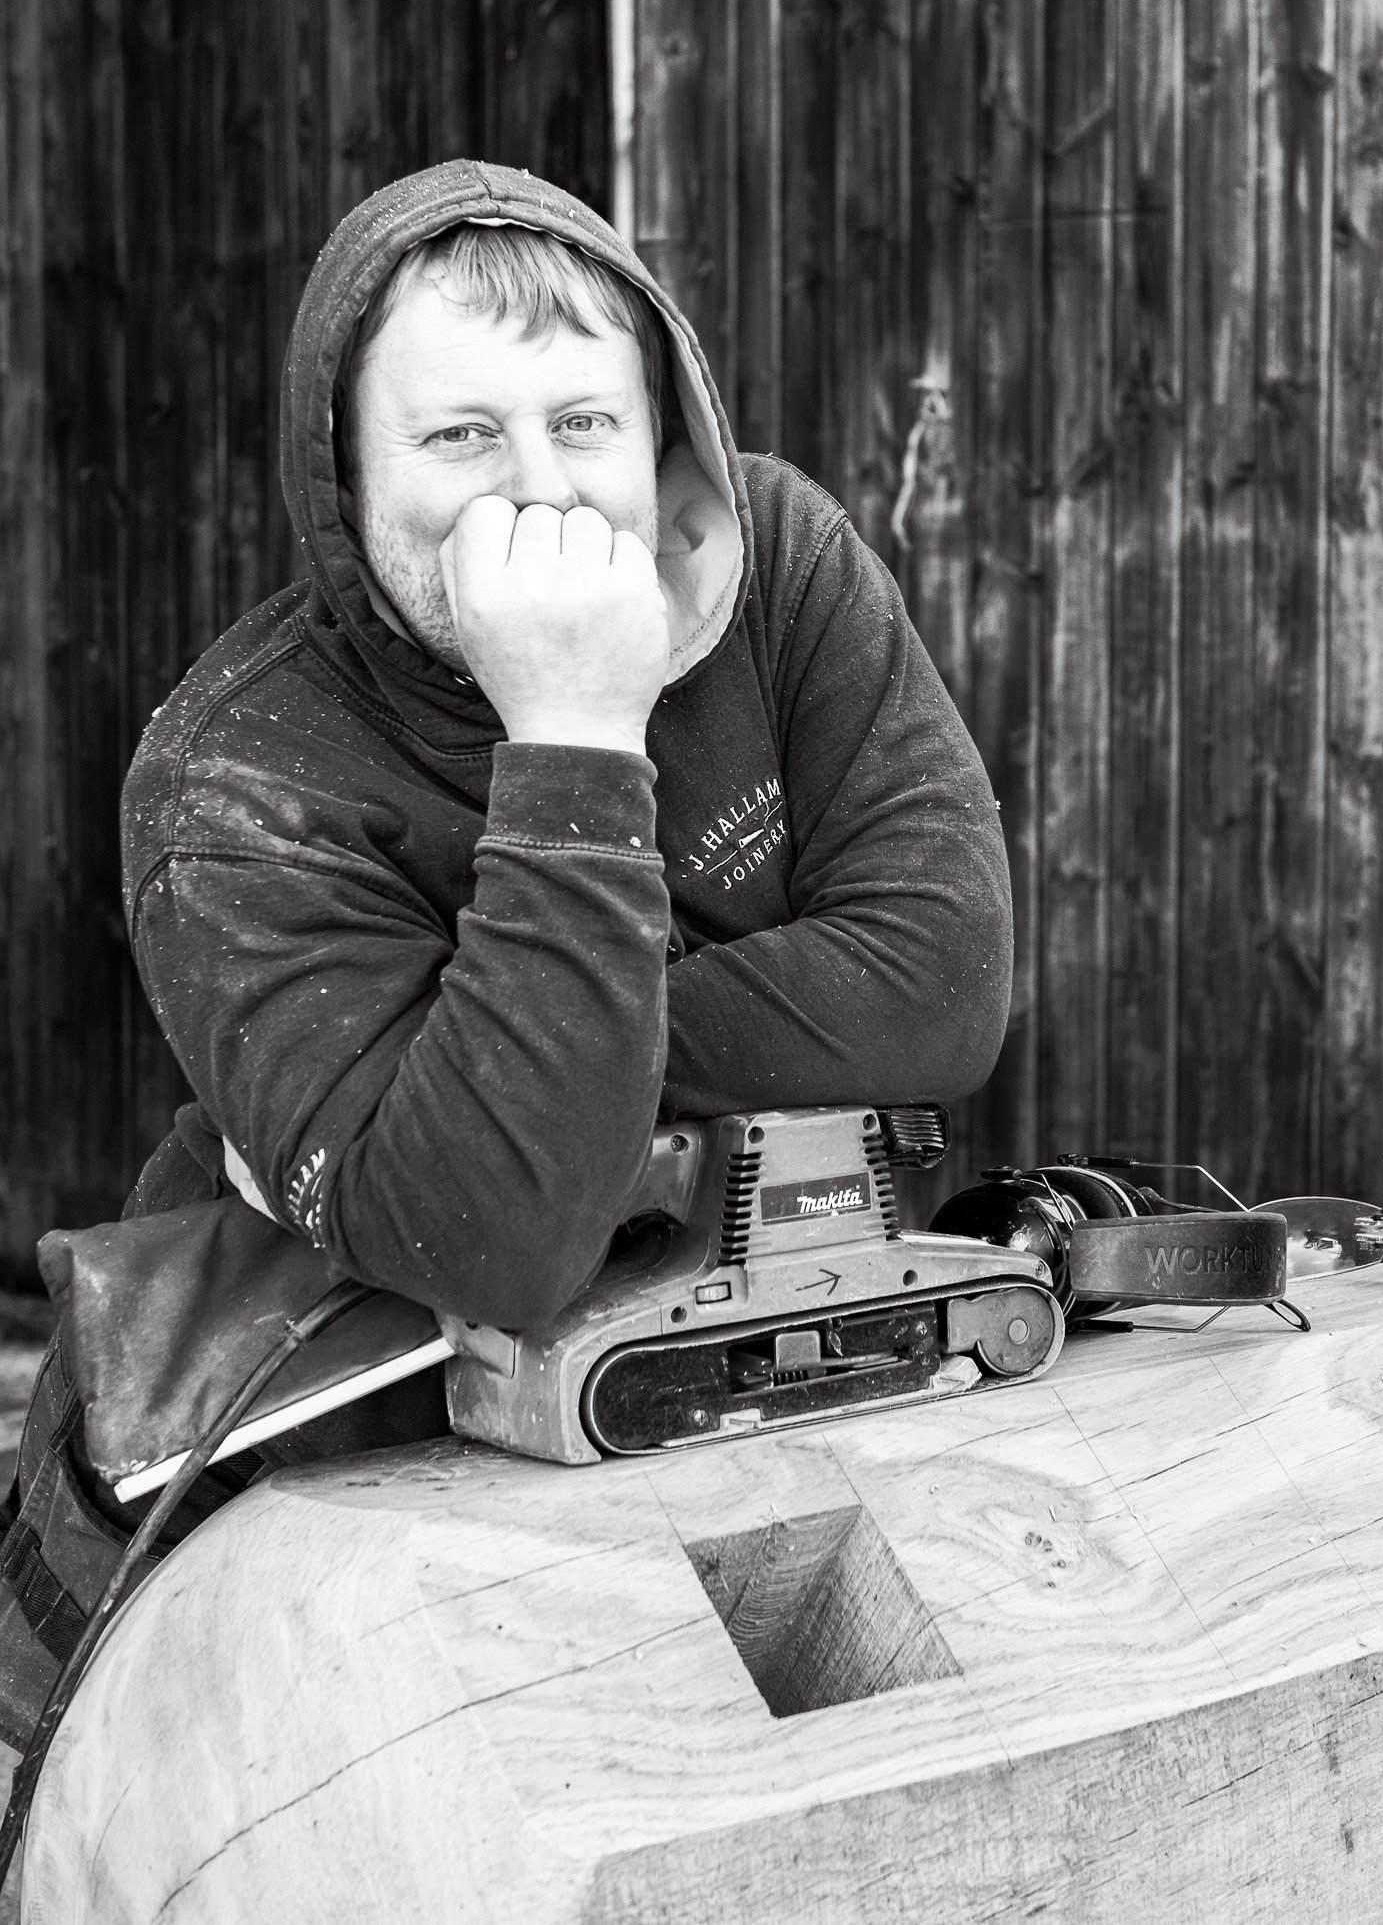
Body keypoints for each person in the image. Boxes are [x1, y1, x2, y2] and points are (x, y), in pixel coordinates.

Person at [0, 160, 1012, 1742]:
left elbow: (939, 986)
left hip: (692, 1398)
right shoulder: (234, 779)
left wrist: (521, 1070)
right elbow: (496, 1235)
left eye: (583, 424)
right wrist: (576, 732)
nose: (536, 487)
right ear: (343, 474)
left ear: (661, 429)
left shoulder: (781, 571)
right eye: (459, 434)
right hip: (302, 1504)